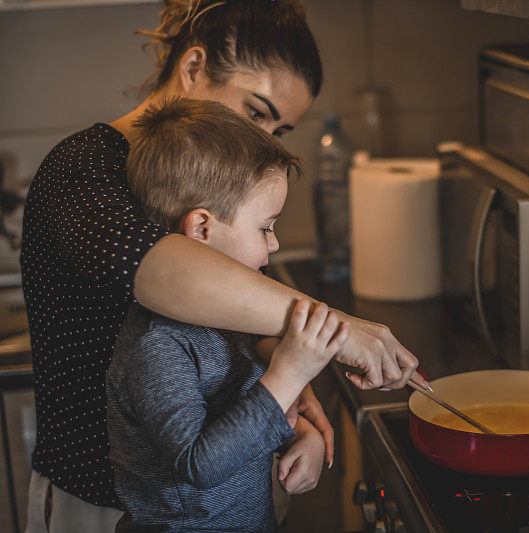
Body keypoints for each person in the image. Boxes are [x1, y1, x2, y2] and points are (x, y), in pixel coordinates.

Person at [21, 0, 427, 530]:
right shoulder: (81, 170)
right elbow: (159, 271)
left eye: (278, 131)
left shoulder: (218, 186)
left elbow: (231, 325)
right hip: (107, 507)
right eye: (256, 112)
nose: (261, 139)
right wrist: (336, 329)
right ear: (191, 69)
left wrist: (284, 382)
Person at [107, 97, 335, 532]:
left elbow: (241, 407)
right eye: (266, 227)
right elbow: (199, 464)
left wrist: (299, 431)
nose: (275, 245)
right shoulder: (156, 346)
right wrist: (287, 375)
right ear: (202, 229)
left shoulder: (223, 315)